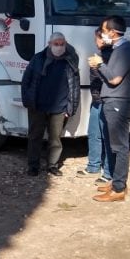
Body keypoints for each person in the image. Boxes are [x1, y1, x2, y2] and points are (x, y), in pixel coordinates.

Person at [88, 15, 130, 202]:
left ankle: (118, 189)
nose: (101, 33)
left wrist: (99, 64)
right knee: (114, 145)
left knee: (120, 146)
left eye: (103, 30)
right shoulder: (118, 49)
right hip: (112, 101)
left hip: (118, 102)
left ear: (113, 32)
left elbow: (115, 79)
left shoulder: (126, 50)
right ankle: (116, 182)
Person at [21, 32, 80, 177]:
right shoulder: (38, 58)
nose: (59, 47)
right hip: (38, 105)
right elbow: (26, 80)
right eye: (56, 44)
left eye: (62, 44)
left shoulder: (70, 61)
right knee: (35, 136)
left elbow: (75, 86)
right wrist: (27, 100)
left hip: (59, 107)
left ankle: (52, 165)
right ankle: (33, 166)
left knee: (55, 139)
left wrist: (71, 107)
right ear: (49, 44)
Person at [77, 26, 114, 184]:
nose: (95, 41)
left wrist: (97, 67)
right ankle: (93, 166)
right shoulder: (98, 56)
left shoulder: (112, 56)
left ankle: (108, 172)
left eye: (97, 38)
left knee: (107, 138)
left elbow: (110, 79)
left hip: (106, 101)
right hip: (96, 100)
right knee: (94, 134)